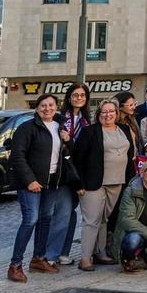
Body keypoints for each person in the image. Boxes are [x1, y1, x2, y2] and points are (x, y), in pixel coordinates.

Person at [7, 94, 76, 283]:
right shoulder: (27, 128)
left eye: (51, 105)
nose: (47, 108)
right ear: (37, 108)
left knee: (46, 219)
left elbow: (66, 154)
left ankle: (38, 258)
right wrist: (29, 180)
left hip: (52, 182)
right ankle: (15, 265)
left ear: (56, 107)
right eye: (43, 105)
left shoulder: (59, 127)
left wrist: (68, 140)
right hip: (31, 183)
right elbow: (17, 156)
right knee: (31, 219)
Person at [72, 98, 132, 271]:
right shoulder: (89, 132)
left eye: (111, 111)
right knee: (92, 220)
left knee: (104, 218)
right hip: (93, 183)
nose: (108, 115)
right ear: (98, 114)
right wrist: (79, 183)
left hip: (118, 181)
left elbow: (130, 155)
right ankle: (85, 258)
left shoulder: (125, 129)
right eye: (104, 112)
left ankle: (101, 252)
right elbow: (78, 159)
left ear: (117, 113)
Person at [48, 83, 91, 266]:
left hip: (80, 172)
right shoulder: (60, 118)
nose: (79, 98)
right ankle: (51, 254)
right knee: (62, 212)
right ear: (69, 97)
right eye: (75, 95)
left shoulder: (87, 120)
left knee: (72, 213)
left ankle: (64, 251)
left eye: (82, 95)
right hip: (64, 172)